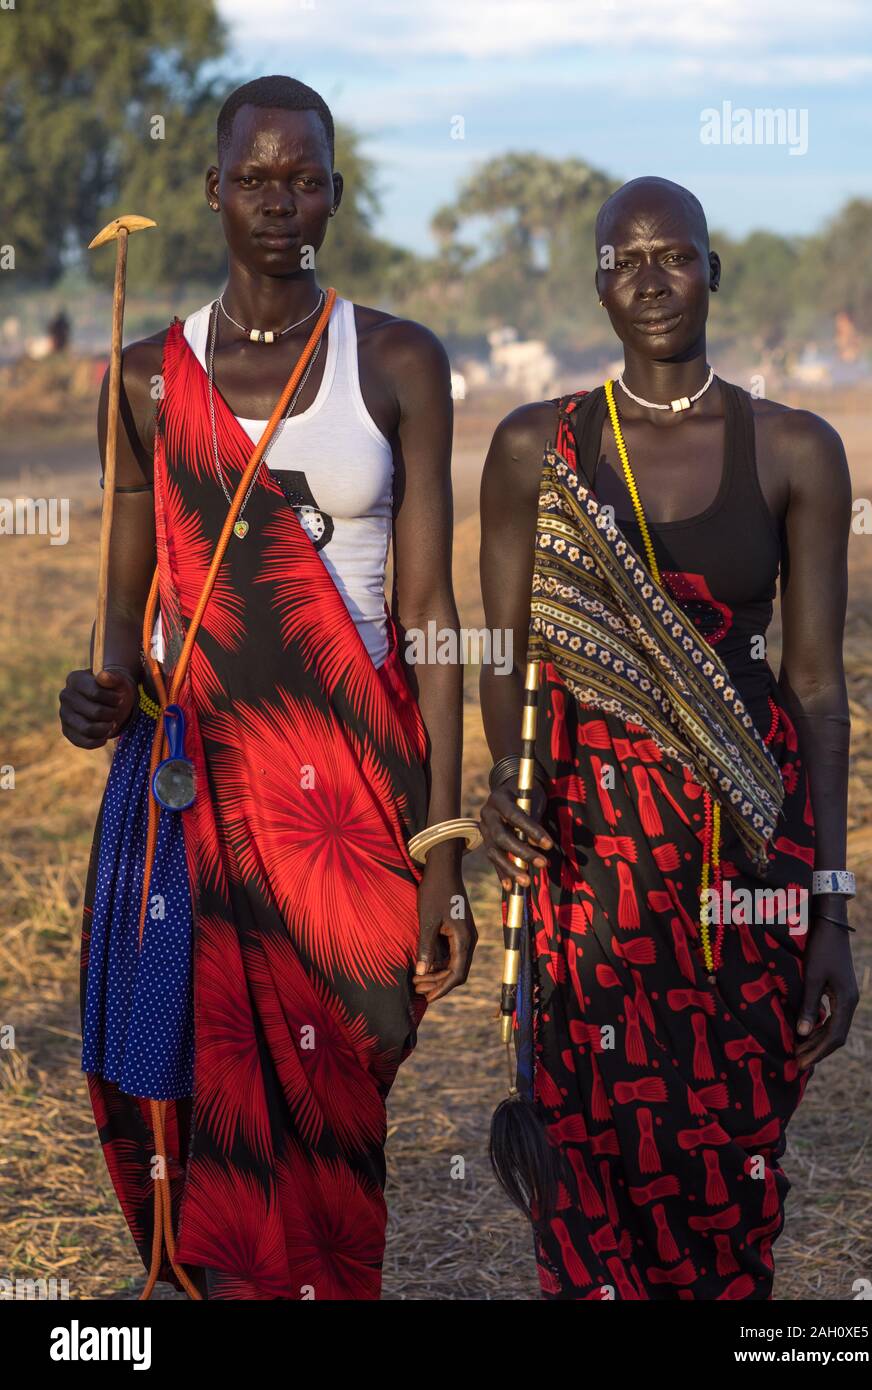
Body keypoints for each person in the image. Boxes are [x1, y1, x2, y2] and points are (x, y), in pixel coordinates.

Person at [60, 75, 475, 1301]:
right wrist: (96, 699)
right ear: (213, 192)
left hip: (354, 793)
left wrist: (444, 849)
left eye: (303, 180)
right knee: (213, 1091)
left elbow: (432, 615)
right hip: (202, 797)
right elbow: (125, 622)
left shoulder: (397, 359)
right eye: (255, 179)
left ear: (336, 198)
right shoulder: (145, 376)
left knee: (350, 1066)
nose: (279, 202)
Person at [478, 176, 858, 1300]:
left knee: (732, 1169)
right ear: (597, 281)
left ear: (713, 271)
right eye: (622, 258)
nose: (648, 278)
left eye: (673, 255)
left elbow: (818, 689)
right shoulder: (533, 450)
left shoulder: (794, 448)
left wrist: (830, 906)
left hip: (746, 865)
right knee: (586, 1161)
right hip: (585, 861)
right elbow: (505, 655)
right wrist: (505, 777)